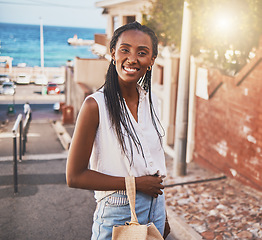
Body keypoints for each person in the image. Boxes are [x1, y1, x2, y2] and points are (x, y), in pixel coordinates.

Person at [66, 21, 170, 239]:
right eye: (125, 50)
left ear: (151, 61)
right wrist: (135, 184)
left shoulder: (152, 101)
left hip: (156, 207)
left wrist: (162, 214)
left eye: (142, 52)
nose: (132, 58)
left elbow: (153, 166)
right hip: (118, 211)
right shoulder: (95, 105)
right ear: (113, 53)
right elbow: (74, 176)